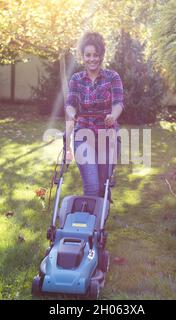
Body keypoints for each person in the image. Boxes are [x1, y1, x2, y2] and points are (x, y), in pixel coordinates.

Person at [64, 32, 124, 201]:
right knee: (91, 185)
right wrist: (72, 112)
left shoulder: (112, 77)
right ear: (82, 56)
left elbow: (119, 102)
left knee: (103, 185)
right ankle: (90, 225)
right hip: (84, 134)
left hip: (107, 135)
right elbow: (70, 103)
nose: (92, 59)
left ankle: (99, 222)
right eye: (88, 55)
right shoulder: (76, 79)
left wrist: (113, 115)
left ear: (101, 55)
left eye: (96, 55)